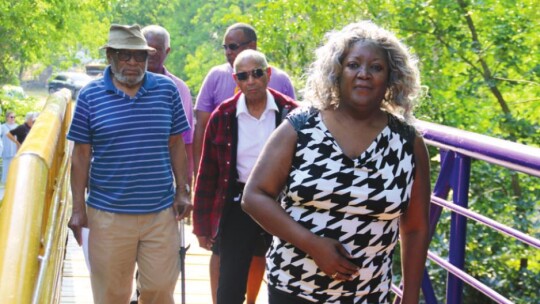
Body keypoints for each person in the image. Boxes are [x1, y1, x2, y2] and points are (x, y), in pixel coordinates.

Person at [242, 21, 431, 303]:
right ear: (337, 71)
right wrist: (313, 245)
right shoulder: (302, 127)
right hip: (294, 289)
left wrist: (410, 297)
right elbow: (254, 196)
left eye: (376, 67)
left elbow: (415, 228)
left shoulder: (407, 142)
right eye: (354, 64)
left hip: (367, 294)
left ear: (392, 77)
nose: (364, 74)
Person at [67, 24, 192, 304]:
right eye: (125, 56)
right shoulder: (90, 96)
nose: (133, 63)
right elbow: (81, 154)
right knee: (112, 295)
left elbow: (176, 144)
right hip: (107, 215)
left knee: (160, 290)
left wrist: (182, 189)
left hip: (159, 212)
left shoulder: (167, 90)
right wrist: (77, 209)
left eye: (140, 56)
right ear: (111, 56)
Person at [192, 22, 296, 304]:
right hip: (238, 200)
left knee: (284, 279)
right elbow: (208, 173)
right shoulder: (223, 116)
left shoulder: (293, 114)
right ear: (235, 80)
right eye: (243, 76)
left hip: (281, 204)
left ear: (268, 75)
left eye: (257, 74)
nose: (251, 81)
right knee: (230, 283)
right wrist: (202, 225)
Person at [142, 25, 194, 186]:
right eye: (147, 48)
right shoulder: (124, 84)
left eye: (157, 48)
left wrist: (185, 184)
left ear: (167, 51)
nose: (152, 53)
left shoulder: (179, 88)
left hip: (165, 179)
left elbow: (186, 140)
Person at [1, 111, 18, 183]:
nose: (13, 118)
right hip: (6, 150)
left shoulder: (17, 126)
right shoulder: (2, 127)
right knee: (6, 168)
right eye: (11, 117)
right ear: (7, 118)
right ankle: (5, 183)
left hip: (15, 151)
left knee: (15, 168)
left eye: (14, 117)